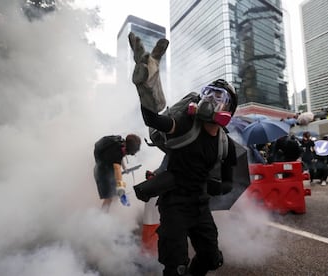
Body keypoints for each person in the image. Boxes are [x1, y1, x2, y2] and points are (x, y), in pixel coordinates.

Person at [128, 32, 238, 276]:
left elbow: (230, 181)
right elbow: (154, 119)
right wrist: (147, 88)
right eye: (208, 93)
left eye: (218, 97)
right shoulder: (187, 124)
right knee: (175, 266)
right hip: (174, 203)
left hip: (200, 204)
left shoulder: (225, 144)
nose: (210, 99)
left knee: (212, 259)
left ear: (229, 109)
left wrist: (217, 187)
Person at [93, 134, 141, 212]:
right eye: (129, 153)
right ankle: (101, 218)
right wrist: (121, 189)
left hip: (108, 169)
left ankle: (110, 214)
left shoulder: (120, 142)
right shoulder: (116, 152)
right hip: (102, 173)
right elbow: (117, 169)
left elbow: (120, 156)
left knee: (114, 196)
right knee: (109, 198)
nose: (128, 154)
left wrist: (125, 167)